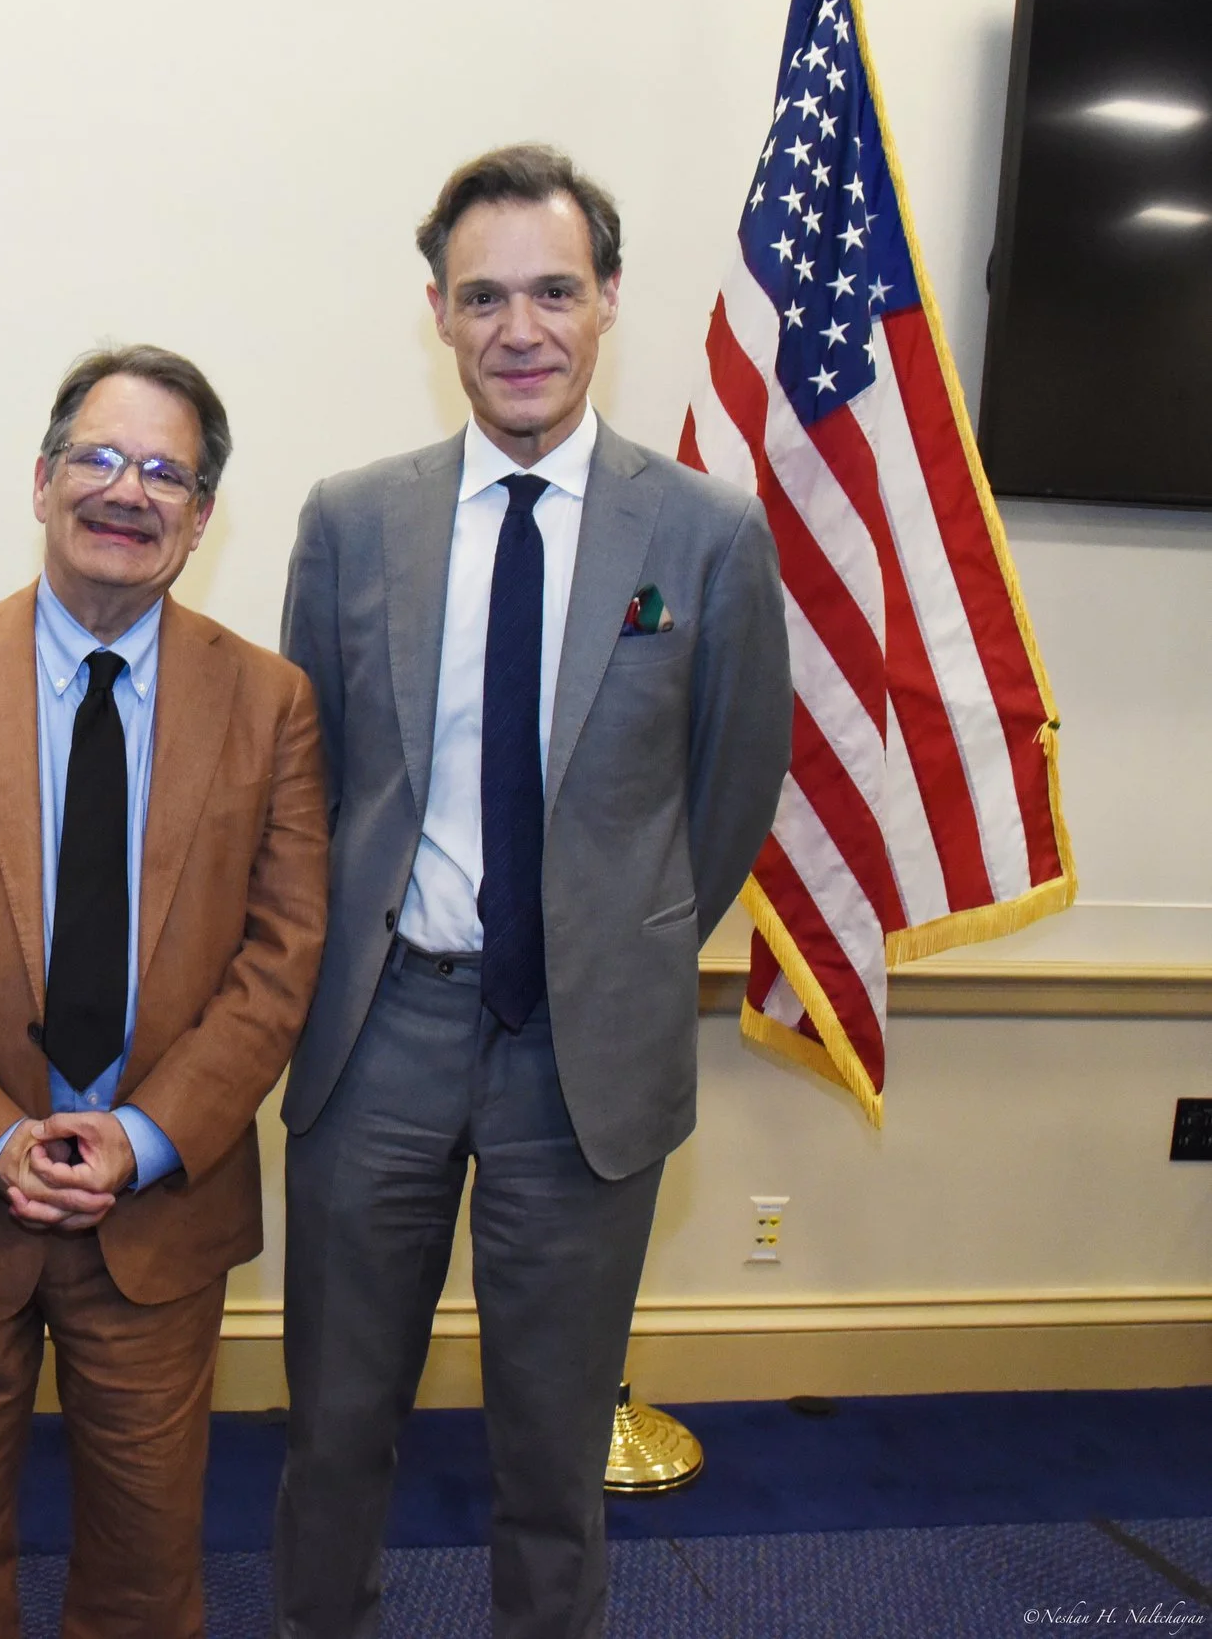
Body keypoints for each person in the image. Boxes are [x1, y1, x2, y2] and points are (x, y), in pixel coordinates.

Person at [273, 144, 793, 1638]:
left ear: (609, 300)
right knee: (334, 1429)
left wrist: (603, 950)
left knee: (553, 1454)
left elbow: (727, 792)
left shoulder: (705, 533)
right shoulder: (351, 520)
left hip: (586, 1057)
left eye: (555, 291)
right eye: (484, 295)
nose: (521, 328)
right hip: (377, 1037)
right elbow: (301, 785)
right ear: (436, 312)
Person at [0, 345, 329, 1638]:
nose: (129, 491)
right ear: (43, 480)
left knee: (148, 1579)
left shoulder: (270, 706)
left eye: (168, 472)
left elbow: (284, 952)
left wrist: (144, 1138)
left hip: (155, 1209)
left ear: (203, 516)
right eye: (99, 458)